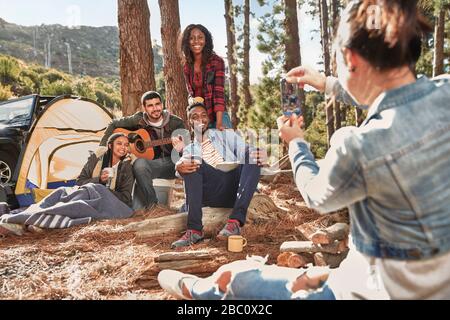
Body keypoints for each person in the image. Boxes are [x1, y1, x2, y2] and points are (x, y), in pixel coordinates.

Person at [158, 0, 450, 300]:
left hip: (370, 290)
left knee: (235, 280)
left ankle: (193, 289)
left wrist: (296, 142)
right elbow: (396, 98)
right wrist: (326, 84)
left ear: (350, 58)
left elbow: (315, 194)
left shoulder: (358, 146)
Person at [170, 98, 264, 249]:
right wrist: (179, 165)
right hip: (211, 194)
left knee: (252, 153)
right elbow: (183, 167)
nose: (200, 119)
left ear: (208, 118)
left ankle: (235, 222)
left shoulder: (224, 134)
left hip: (235, 188)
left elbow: (243, 149)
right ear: (190, 123)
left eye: (203, 115)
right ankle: (194, 230)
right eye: (195, 117)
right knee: (191, 163)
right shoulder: (189, 148)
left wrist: (254, 152)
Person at [0, 133, 135, 235]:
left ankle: (25, 219)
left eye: (126, 144)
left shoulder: (126, 167)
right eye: (119, 143)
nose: (123, 147)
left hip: (108, 201)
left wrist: (100, 188)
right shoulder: (97, 158)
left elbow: (126, 198)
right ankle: (32, 216)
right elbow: (80, 181)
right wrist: (99, 179)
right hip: (85, 190)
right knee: (61, 191)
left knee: (80, 203)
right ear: (110, 146)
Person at [100, 91, 186, 210]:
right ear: (144, 108)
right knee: (138, 164)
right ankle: (150, 206)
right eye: (150, 106)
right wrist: (103, 149)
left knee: (140, 163)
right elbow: (113, 124)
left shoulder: (176, 122)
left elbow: (186, 150)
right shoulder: (138, 119)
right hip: (148, 165)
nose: (155, 108)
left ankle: (157, 208)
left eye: (157, 104)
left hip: (171, 163)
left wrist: (181, 147)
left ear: (162, 104)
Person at [180, 24, 232, 130]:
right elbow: (190, 93)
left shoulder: (217, 62)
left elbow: (219, 94)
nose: (196, 41)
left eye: (200, 37)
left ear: (206, 40)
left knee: (225, 145)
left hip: (217, 116)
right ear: (187, 42)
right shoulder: (187, 65)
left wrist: (219, 123)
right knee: (203, 147)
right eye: (191, 38)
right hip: (199, 119)